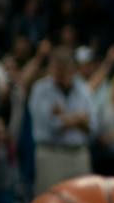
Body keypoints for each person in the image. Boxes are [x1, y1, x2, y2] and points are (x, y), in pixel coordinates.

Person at [27, 46, 95, 193]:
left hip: (78, 153)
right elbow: (49, 126)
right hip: (51, 153)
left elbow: (92, 126)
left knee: (82, 202)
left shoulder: (82, 88)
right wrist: (77, 118)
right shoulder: (41, 89)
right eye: (58, 67)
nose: (61, 72)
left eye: (66, 67)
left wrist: (64, 117)